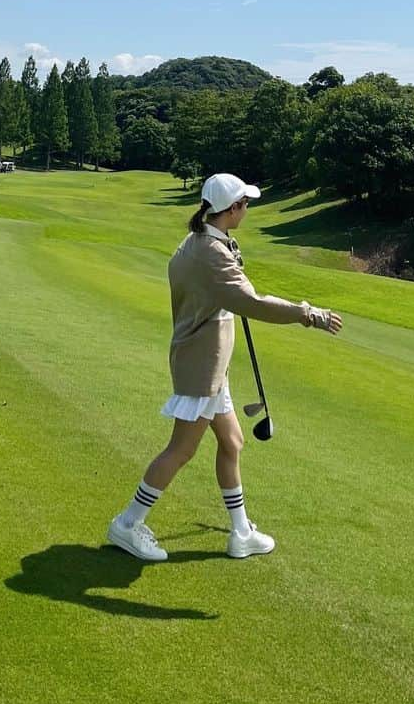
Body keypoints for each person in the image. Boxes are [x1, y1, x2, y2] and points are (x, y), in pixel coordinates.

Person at [107, 172, 343, 562]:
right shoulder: (211, 253)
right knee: (181, 450)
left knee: (232, 442)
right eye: (245, 203)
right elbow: (253, 303)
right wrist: (308, 314)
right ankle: (128, 524)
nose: (248, 208)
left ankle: (240, 532)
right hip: (202, 367)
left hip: (209, 365)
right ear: (232, 209)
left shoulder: (198, 241)